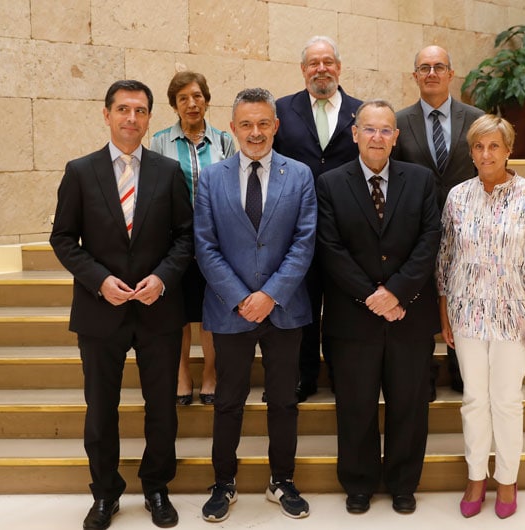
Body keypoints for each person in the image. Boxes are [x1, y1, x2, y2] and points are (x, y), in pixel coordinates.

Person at [50, 80, 193, 529]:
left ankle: (156, 486)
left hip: (157, 310)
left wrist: (164, 278)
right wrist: (99, 280)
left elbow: (186, 237)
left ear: (150, 118)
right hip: (100, 311)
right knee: (101, 409)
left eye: (141, 111)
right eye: (123, 110)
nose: (132, 119)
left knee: (162, 409)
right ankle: (105, 493)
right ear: (107, 114)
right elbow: (62, 239)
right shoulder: (79, 171)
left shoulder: (169, 172)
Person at [195, 87, 317, 522]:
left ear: (276, 126)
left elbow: (305, 242)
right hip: (231, 310)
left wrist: (270, 295)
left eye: (264, 123)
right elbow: (205, 246)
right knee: (228, 400)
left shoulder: (299, 175)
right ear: (232, 128)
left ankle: (281, 480)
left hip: (285, 310)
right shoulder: (211, 178)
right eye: (246, 124)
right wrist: (243, 297)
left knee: (283, 400)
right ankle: (223, 483)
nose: (255, 131)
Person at [316, 100, 441, 515]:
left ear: (396, 137)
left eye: (386, 130)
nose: (377, 137)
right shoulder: (330, 183)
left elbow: (430, 241)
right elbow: (330, 248)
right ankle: (359, 482)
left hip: (410, 314)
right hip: (353, 317)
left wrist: (398, 294)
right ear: (354, 134)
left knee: (409, 404)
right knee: (355, 405)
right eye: (369, 129)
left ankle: (404, 483)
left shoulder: (421, 181)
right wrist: (372, 296)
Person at [436, 114, 525, 519]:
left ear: (509, 150)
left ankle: (507, 479)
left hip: (515, 316)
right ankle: (476, 476)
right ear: (470, 152)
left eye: (494, 146)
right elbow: (445, 260)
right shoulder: (457, 196)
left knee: (506, 401)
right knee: (474, 399)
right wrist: (444, 313)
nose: (486, 154)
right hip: (466, 313)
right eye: (478, 146)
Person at [273, 35, 363, 402]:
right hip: (297, 228)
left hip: (348, 228)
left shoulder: (361, 111)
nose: (321, 68)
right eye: (314, 63)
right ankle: (304, 376)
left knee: (344, 308)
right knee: (303, 305)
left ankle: (345, 376)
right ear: (303, 69)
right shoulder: (282, 109)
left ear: (339, 68)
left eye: (328, 62)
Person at [392, 45, 484, 402]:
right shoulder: (399, 123)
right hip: (416, 230)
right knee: (421, 300)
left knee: (462, 295)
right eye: (424, 68)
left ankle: (462, 369)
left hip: (468, 228)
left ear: (450, 73)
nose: (431, 73)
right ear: (414, 76)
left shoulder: (475, 118)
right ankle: (424, 374)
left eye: (439, 67)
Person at [150, 71, 236, 406]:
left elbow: (231, 187)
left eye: (197, 96)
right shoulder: (159, 142)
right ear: (174, 105)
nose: (191, 103)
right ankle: (182, 372)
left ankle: (211, 373)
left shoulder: (224, 141)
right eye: (183, 98)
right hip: (174, 240)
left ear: (207, 100)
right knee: (179, 311)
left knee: (212, 310)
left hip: (216, 239)